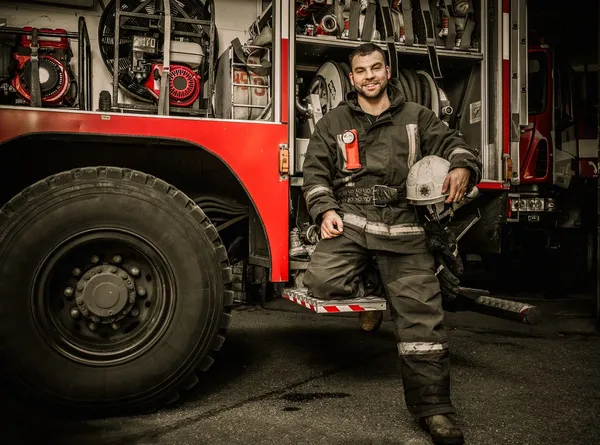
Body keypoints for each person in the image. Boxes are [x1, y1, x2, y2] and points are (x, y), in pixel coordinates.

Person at [301, 42, 482, 445]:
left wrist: (460, 166)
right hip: (351, 224)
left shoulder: (417, 117)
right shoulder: (334, 122)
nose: (369, 76)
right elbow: (314, 175)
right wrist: (325, 211)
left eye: (376, 68)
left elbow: (457, 144)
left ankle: (435, 410)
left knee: (421, 321)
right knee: (320, 285)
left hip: (404, 228)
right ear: (352, 78)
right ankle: (373, 276)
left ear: (387, 72)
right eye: (361, 70)